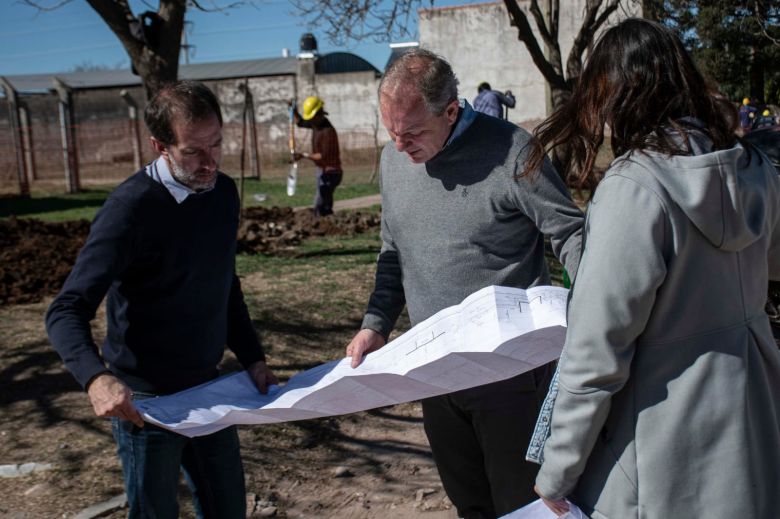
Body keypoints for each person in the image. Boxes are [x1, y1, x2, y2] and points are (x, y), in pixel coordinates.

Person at [524, 19, 780, 518]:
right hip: (752, 421)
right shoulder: (755, 167)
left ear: (616, 96)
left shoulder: (635, 188)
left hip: (663, 445)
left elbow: (597, 351)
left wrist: (558, 470)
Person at [345, 48, 584, 518]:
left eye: (411, 132)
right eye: (390, 131)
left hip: (511, 375)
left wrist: (594, 313)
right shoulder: (394, 162)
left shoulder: (513, 151)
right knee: (469, 503)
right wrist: (376, 322)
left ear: (451, 111)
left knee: (523, 506)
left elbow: (571, 232)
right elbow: (393, 252)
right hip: (435, 372)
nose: (399, 146)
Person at [45, 80, 277, 519]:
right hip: (145, 404)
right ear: (159, 145)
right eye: (193, 151)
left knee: (228, 508)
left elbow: (224, 282)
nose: (210, 162)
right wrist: (96, 379)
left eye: (218, 145)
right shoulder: (130, 210)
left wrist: (252, 355)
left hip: (211, 387)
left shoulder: (223, 193)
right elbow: (66, 309)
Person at [290, 96, 343, 216]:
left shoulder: (328, 132)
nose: (311, 121)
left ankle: (319, 224)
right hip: (322, 171)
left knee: (319, 204)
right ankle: (328, 223)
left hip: (331, 173)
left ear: (319, 114)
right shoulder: (316, 124)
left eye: (312, 118)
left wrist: (303, 155)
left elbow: (322, 156)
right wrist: (292, 109)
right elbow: (300, 122)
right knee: (326, 203)